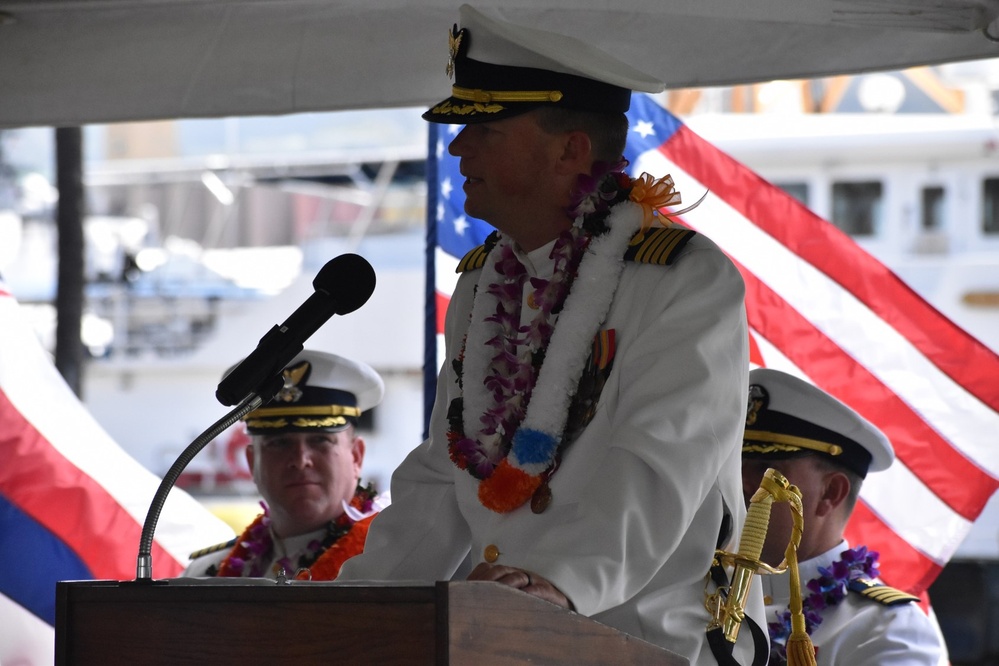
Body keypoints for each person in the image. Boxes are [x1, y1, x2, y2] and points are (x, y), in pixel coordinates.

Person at [337, 5, 764, 663]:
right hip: (506, 634)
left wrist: (551, 584)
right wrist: (357, 605)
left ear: (570, 149)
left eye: (484, 128)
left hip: (643, 639)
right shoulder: (483, 283)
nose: (456, 148)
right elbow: (440, 477)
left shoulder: (681, 279)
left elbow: (654, 463)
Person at [741, 367, 949, 665]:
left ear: (830, 493)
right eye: (735, 465)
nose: (741, 484)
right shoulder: (697, 596)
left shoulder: (886, 630)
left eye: (764, 469)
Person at [183, 349, 386, 580]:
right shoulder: (207, 576)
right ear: (252, 462)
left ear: (356, 456)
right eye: (279, 443)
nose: (300, 461)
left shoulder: (393, 563)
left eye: (321, 440)